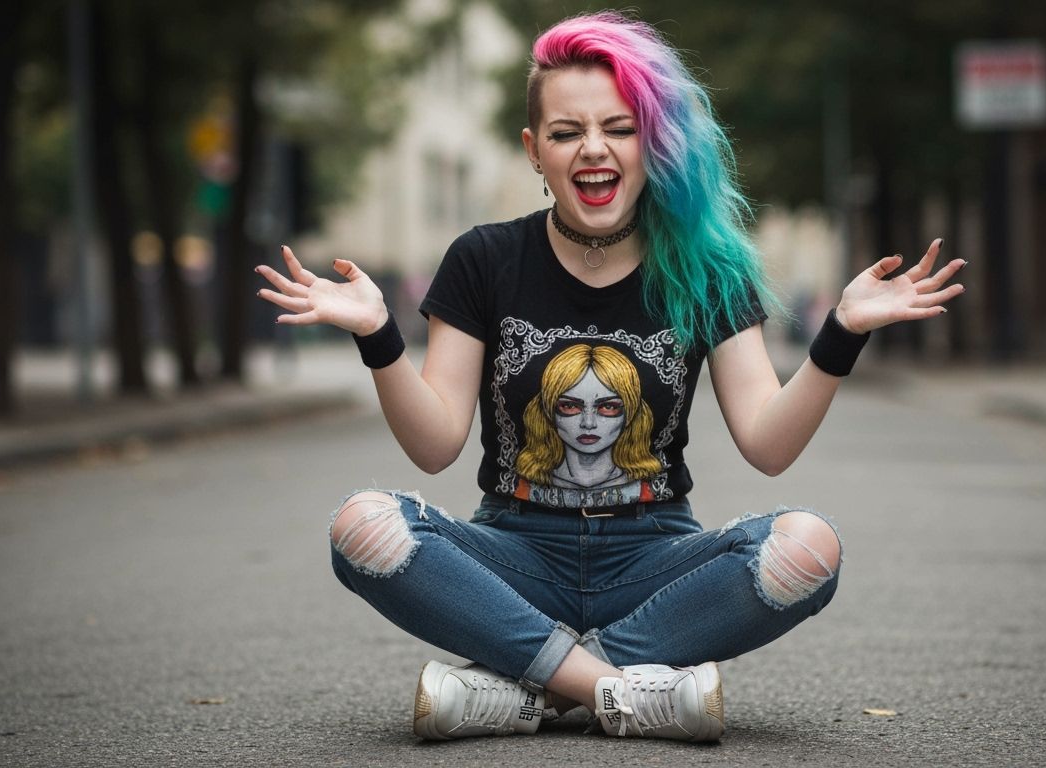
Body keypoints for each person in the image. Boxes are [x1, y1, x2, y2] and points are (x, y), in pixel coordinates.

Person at [256, 11, 964, 743]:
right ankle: (613, 691)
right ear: (535, 151)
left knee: (811, 547)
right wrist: (376, 335)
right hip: (514, 553)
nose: (594, 149)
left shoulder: (706, 267)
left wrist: (842, 332)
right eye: (566, 133)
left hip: (653, 560)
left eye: (620, 128)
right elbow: (435, 445)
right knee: (363, 525)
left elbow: (768, 443)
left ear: (650, 142)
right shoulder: (483, 260)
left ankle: (529, 690)